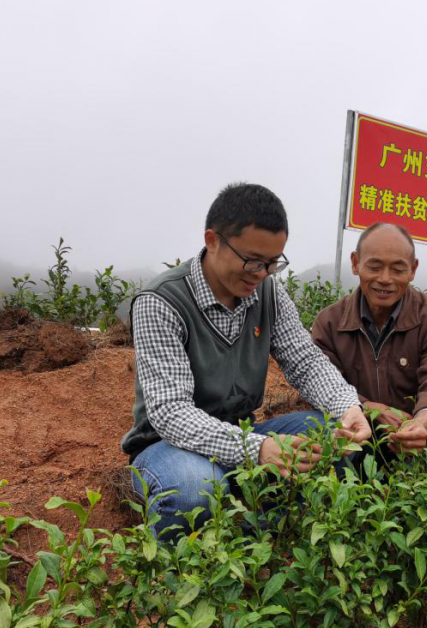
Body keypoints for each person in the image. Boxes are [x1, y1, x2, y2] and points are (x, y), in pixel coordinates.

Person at [121, 182, 371, 536]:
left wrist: (347, 406)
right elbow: (171, 414)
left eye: (272, 263)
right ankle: (179, 575)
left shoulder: (266, 291)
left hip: (245, 434)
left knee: (335, 437)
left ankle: (269, 546)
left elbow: (304, 359)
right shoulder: (161, 302)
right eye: (252, 261)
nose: (261, 273)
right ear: (212, 241)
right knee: (196, 489)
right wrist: (259, 449)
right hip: (169, 447)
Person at [310, 222, 427, 457]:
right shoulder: (330, 323)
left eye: (398, 269)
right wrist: (369, 408)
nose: (385, 279)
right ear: (355, 263)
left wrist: (422, 422)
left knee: (426, 480)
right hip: (359, 434)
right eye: (375, 266)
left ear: (413, 269)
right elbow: (323, 384)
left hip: (424, 438)